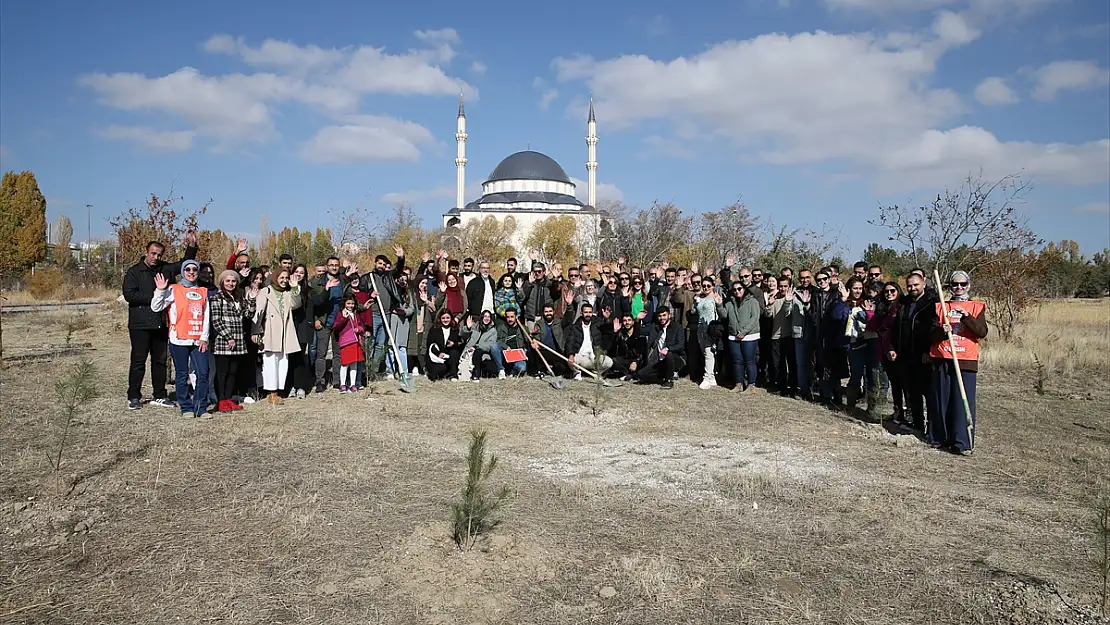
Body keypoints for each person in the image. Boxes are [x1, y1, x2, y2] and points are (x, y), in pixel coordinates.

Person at [122, 233, 197, 409]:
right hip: (140, 324)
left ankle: (160, 395)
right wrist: (159, 296)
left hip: (161, 324)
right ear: (146, 252)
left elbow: (184, 264)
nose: (156, 258)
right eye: (153, 254)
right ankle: (134, 396)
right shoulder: (134, 272)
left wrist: (192, 246)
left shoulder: (166, 269)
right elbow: (130, 295)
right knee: (138, 361)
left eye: (159, 255)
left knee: (160, 361)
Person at [926, 271, 987, 455]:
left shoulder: (976, 307)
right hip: (942, 358)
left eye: (962, 284)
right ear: (949, 286)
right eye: (954, 284)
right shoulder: (940, 307)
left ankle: (962, 442)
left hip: (965, 360)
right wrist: (942, 331)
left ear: (968, 285)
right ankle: (939, 438)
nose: (958, 288)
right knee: (941, 400)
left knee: (962, 403)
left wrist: (966, 317)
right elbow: (929, 335)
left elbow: (981, 332)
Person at [149, 259, 211, 418]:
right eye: (188, 269)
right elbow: (156, 307)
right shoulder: (173, 289)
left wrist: (204, 337)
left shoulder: (203, 291)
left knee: (203, 373)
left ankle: (201, 407)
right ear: (183, 271)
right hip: (179, 339)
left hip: (198, 340)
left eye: (194, 270)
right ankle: (186, 407)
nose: (191, 272)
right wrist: (160, 290)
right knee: (182, 374)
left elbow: (206, 316)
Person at [890, 272, 939, 432]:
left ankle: (933, 428)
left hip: (924, 356)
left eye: (916, 285)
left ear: (924, 283)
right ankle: (918, 423)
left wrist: (928, 351)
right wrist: (893, 348)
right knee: (912, 393)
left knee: (929, 393)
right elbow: (896, 328)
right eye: (909, 286)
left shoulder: (932, 303)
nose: (912, 288)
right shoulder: (903, 303)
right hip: (906, 355)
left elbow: (934, 329)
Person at [252, 268, 303, 404]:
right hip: (270, 331)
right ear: (275, 277)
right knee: (270, 362)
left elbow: (296, 304)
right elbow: (259, 312)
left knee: (282, 362)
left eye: (286, 278)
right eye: (282, 277)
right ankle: (271, 392)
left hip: (285, 332)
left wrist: (295, 288)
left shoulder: (287, 292)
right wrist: (256, 330)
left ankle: (278, 390)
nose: (284, 280)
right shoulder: (266, 291)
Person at [208, 269, 255, 413]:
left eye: (233, 281)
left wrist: (252, 299)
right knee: (222, 372)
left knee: (233, 372)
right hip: (223, 340)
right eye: (228, 281)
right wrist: (228, 337)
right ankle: (221, 400)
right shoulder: (217, 298)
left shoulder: (239, 298)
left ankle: (229, 399)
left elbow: (249, 314)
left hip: (239, 340)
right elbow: (216, 320)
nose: (231, 283)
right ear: (222, 282)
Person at [720, 281, 761, 392]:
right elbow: (724, 315)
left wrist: (744, 332)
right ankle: (739, 384)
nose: (737, 291)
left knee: (749, 361)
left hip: (749, 336)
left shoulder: (753, 301)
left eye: (739, 288)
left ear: (744, 289)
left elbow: (755, 318)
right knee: (737, 361)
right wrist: (719, 304)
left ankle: (751, 385)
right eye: (734, 289)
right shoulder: (729, 303)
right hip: (733, 336)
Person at [638, 308, 686, 389]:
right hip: (660, 361)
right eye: (659, 316)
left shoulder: (677, 327)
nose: (662, 318)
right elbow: (641, 331)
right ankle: (662, 377)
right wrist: (637, 320)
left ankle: (669, 380)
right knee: (641, 374)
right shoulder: (655, 327)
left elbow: (681, 345)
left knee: (669, 354)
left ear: (669, 315)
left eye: (664, 315)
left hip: (676, 359)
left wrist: (668, 348)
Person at [564, 303, 612, 378]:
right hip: (581, 357)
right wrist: (570, 355)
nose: (588, 314)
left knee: (609, 362)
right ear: (581, 313)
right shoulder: (575, 327)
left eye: (590, 312)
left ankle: (595, 372)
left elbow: (607, 331)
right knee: (571, 360)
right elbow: (569, 342)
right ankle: (577, 373)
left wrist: (607, 319)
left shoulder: (597, 324)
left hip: (594, 357)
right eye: (586, 312)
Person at [332, 296, 366, 392]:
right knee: (345, 364)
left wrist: (359, 329)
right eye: (348, 303)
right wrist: (344, 318)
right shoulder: (340, 314)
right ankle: (342, 384)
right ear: (344, 304)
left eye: (352, 304)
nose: (350, 305)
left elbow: (361, 326)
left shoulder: (355, 314)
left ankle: (353, 384)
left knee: (354, 364)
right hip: (346, 342)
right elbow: (336, 327)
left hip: (355, 341)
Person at [426, 310, 461, 381]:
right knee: (437, 374)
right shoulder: (434, 329)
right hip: (436, 355)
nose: (445, 320)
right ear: (440, 318)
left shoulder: (454, 329)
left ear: (451, 318)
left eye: (448, 318)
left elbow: (459, 343)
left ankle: (453, 374)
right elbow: (430, 344)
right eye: (443, 318)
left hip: (449, 355)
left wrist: (453, 344)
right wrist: (438, 353)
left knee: (454, 352)